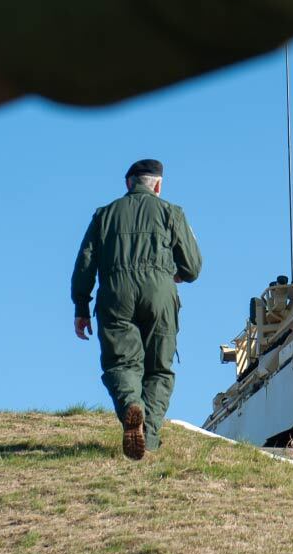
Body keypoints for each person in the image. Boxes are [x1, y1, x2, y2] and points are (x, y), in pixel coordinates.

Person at [71, 158, 202, 460]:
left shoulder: (104, 215)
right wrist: (175, 274)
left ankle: (132, 404)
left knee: (121, 364)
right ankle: (150, 437)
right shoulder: (172, 212)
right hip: (160, 294)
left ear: (128, 184)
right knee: (159, 369)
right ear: (157, 185)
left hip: (116, 294)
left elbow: (85, 263)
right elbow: (193, 267)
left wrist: (81, 305)